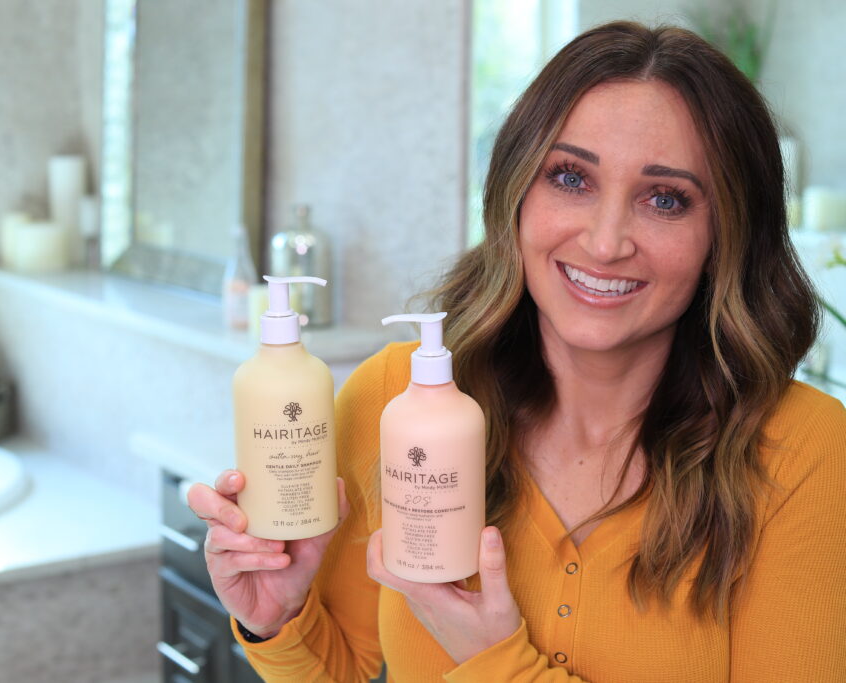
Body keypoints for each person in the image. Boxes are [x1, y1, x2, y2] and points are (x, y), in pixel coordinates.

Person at [187, 21, 846, 682]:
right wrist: (277, 617)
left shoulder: (807, 451)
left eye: (665, 198)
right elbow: (340, 670)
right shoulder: (394, 401)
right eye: (571, 178)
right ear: (516, 194)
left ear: (726, 234)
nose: (606, 240)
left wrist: (496, 661)